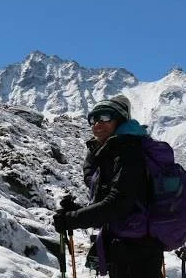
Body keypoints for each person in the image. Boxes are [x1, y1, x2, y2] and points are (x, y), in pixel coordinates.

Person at [53, 95, 164, 278]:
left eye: (105, 117)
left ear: (119, 120)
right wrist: (77, 212)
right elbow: (116, 202)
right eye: (93, 118)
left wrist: (73, 219)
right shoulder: (114, 152)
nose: (97, 123)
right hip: (127, 247)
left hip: (137, 252)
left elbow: (118, 204)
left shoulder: (128, 153)